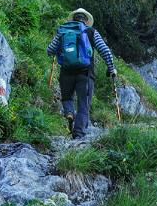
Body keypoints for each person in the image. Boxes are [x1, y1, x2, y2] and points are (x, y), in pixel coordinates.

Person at [47, 8, 116, 138]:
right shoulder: (91, 31)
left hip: (66, 73)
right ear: (86, 20)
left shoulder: (62, 31)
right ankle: (78, 135)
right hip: (85, 74)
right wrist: (111, 68)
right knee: (83, 105)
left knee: (67, 98)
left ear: (73, 19)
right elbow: (105, 51)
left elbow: (50, 50)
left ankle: (69, 112)